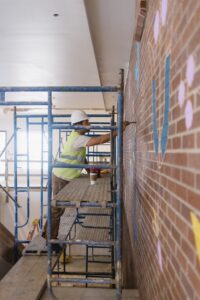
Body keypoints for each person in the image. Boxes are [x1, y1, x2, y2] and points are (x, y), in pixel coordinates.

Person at [43, 110, 129, 252]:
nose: (89, 124)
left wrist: (91, 171)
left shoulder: (76, 137)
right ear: (79, 124)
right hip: (62, 177)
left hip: (62, 176)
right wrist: (117, 130)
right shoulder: (78, 138)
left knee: (56, 209)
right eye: (86, 122)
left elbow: (81, 157)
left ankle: (47, 234)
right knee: (57, 210)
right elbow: (100, 140)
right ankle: (51, 241)